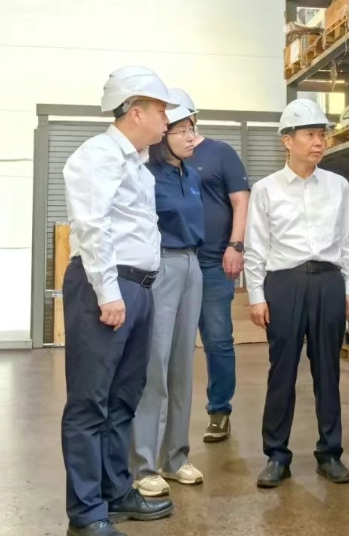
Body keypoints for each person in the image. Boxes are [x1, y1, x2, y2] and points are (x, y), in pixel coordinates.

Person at [60, 65, 177, 536]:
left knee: (123, 398)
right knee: (90, 401)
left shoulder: (138, 165)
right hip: (106, 287)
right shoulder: (98, 156)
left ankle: (115, 491)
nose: (167, 120)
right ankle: (86, 512)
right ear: (135, 111)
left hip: (139, 288)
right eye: (162, 110)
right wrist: (108, 292)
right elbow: (92, 226)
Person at [244, 98, 349, 488]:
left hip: (328, 281)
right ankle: (276, 455)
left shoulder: (337, 187)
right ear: (287, 140)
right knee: (282, 371)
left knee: (328, 370)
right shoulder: (266, 190)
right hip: (285, 283)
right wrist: (256, 295)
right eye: (310, 134)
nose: (319, 142)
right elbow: (256, 245)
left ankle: (330, 453)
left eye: (322, 135)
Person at [130, 94, 205, 497]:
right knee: (155, 365)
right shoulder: (147, 174)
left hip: (192, 265)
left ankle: (176, 457)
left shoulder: (191, 176)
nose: (192, 137)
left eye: (193, 128)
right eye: (183, 130)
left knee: (181, 367)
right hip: (161, 266)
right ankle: (143, 464)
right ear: (164, 135)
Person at [179, 88, 250, 443]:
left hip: (212, 262)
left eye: (184, 121)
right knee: (167, 344)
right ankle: (165, 416)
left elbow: (240, 201)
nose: (181, 129)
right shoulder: (159, 156)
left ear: (194, 118)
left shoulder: (220, 152)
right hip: (172, 260)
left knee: (218, 339)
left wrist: (236, 245)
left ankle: (219, 410)